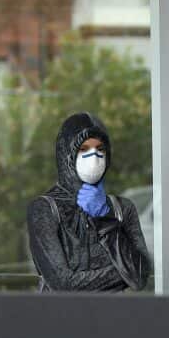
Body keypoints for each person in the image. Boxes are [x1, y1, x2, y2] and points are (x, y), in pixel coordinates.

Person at [28, 112, 151, 292]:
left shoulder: (122, 209)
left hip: (112, 317)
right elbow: (63, 284)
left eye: (100, 149)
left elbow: (140, 277)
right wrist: (123, 274)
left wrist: (105, 220)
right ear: (66, 154)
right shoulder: (44, 209)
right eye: (84, 149)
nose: (94, 157)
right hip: (61, 318)